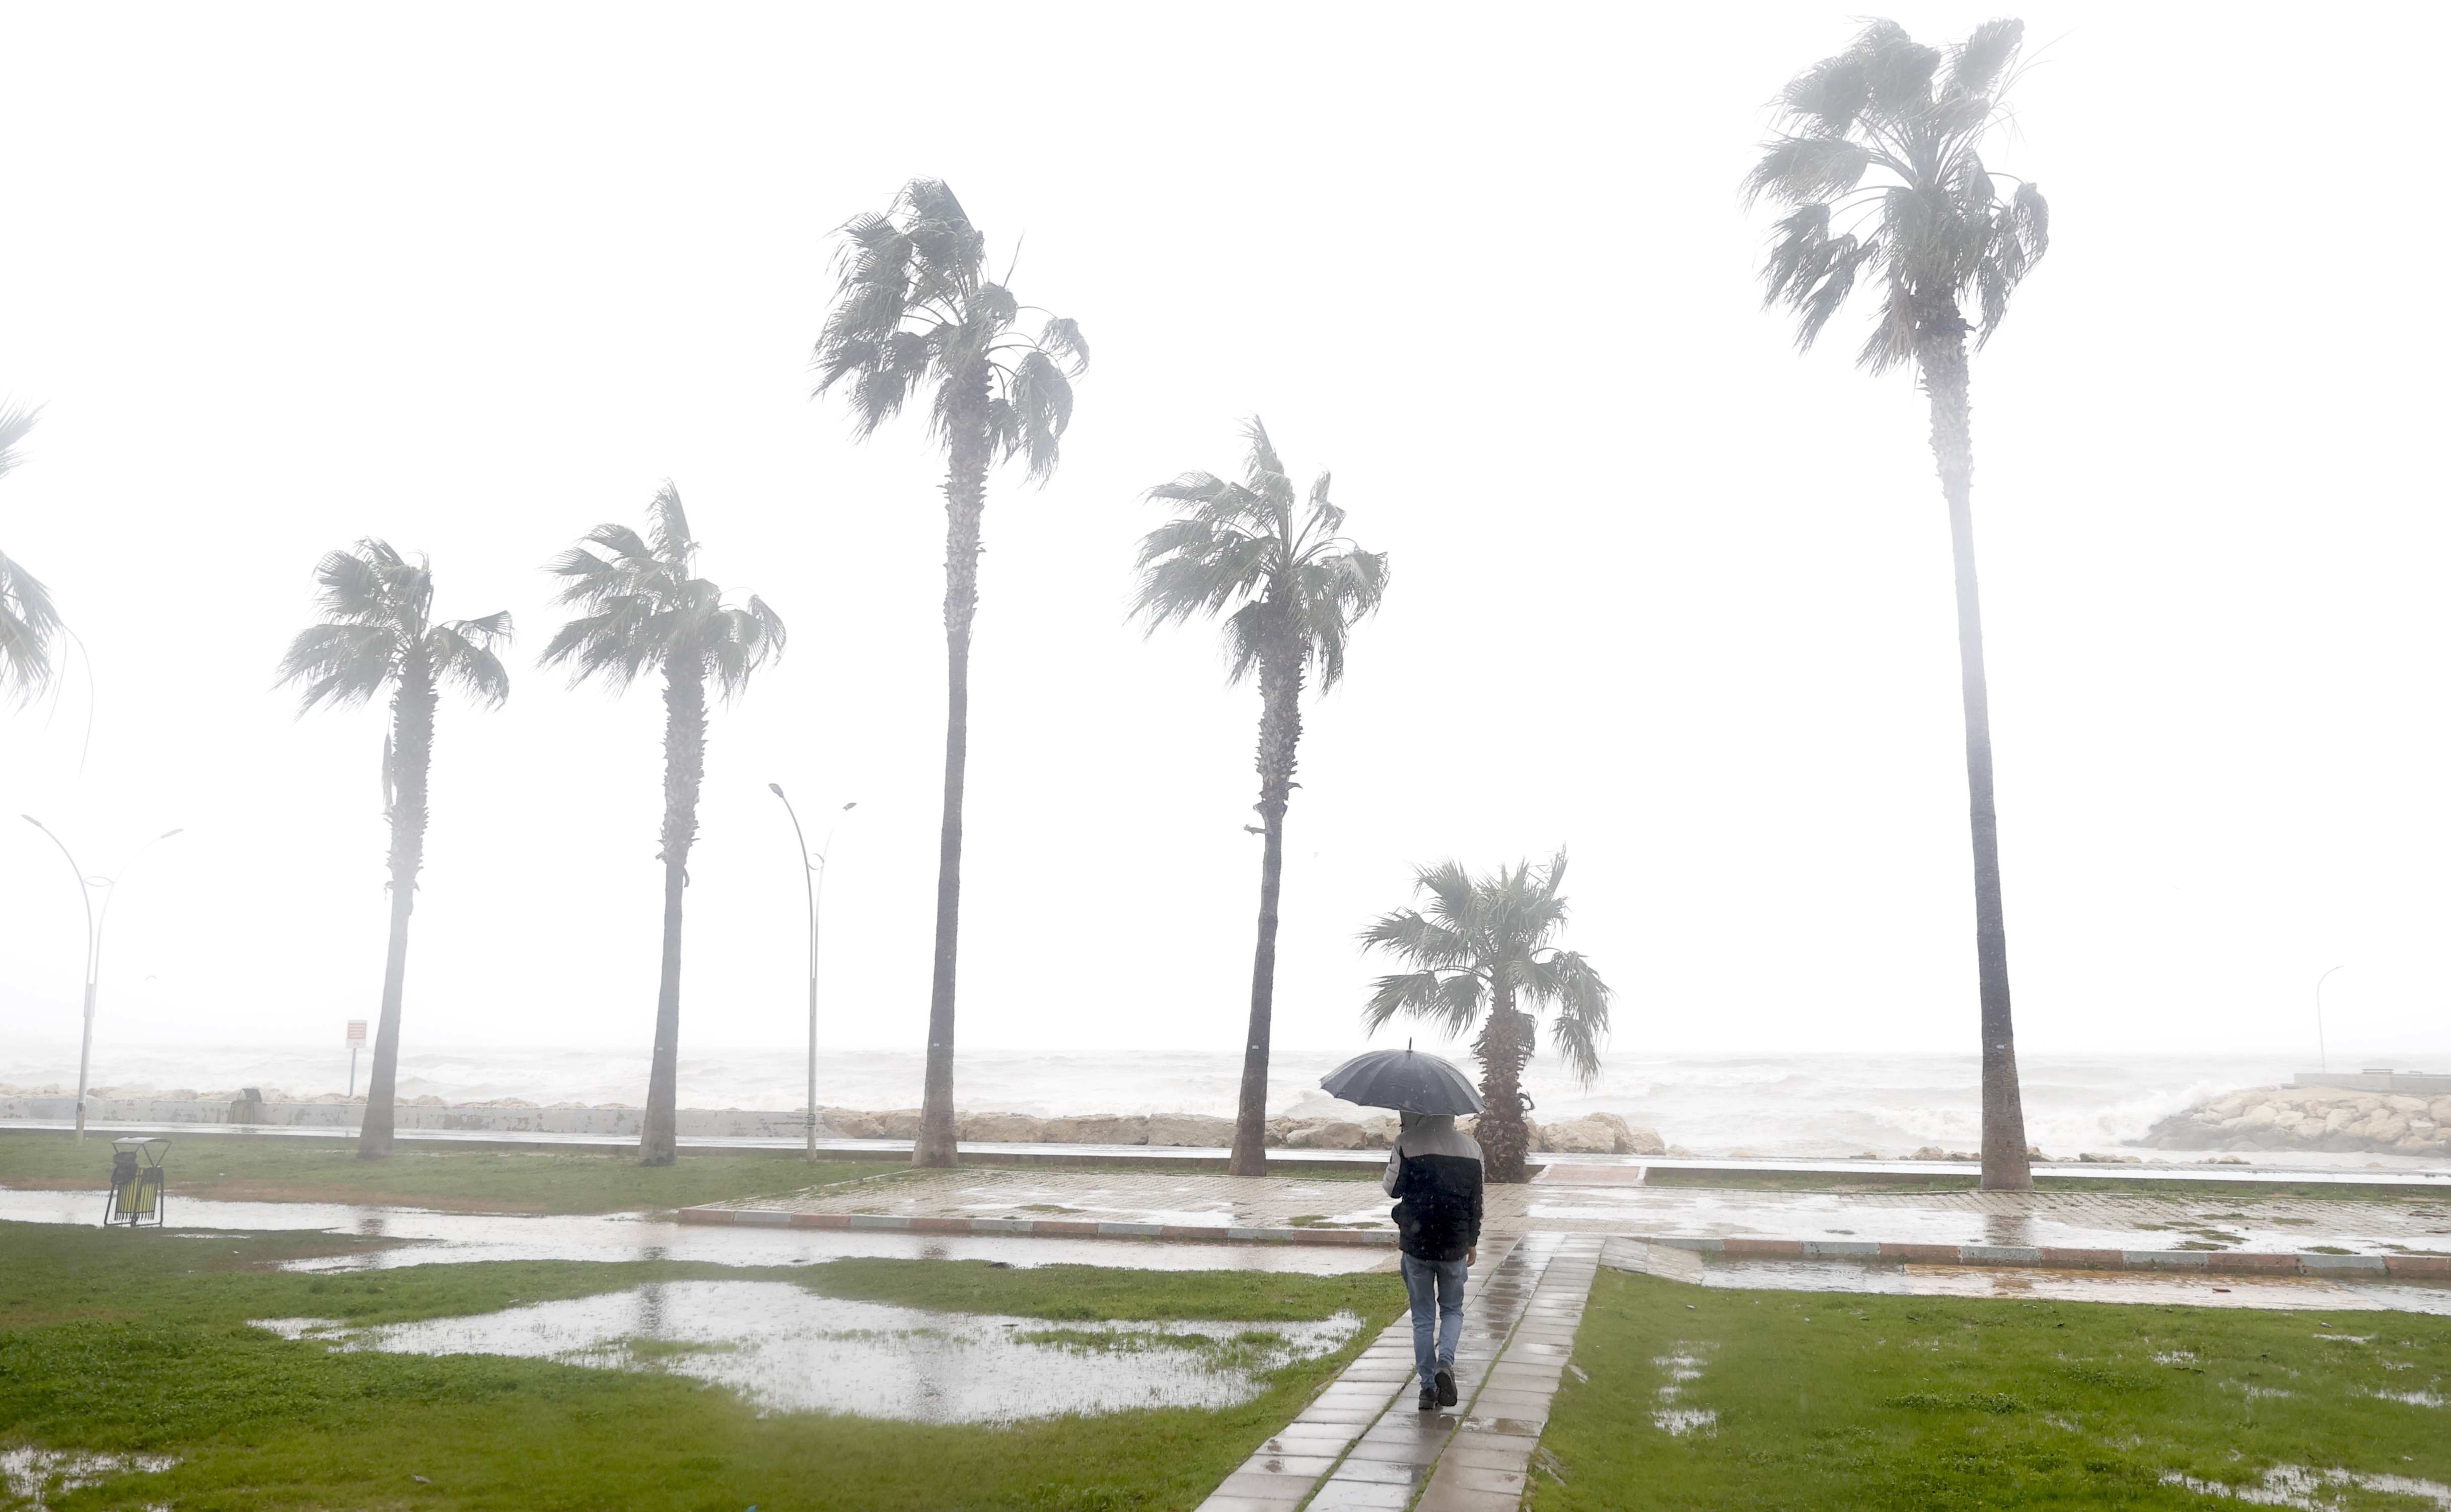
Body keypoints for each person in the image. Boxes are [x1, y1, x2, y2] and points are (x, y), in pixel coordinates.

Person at [1383, 1108, 1483, 1411]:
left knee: (1423, 1318)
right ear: (1452, 1113)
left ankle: (1427, 1389)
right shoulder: (1472, 1149)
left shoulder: (1406, 1142)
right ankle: (1445, 1364)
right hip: (1453, 1245)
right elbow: (1476, 1202)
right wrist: (1472, 1242)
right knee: (1452, 1310)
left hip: (1418, 1245)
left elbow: (1392, 1189)